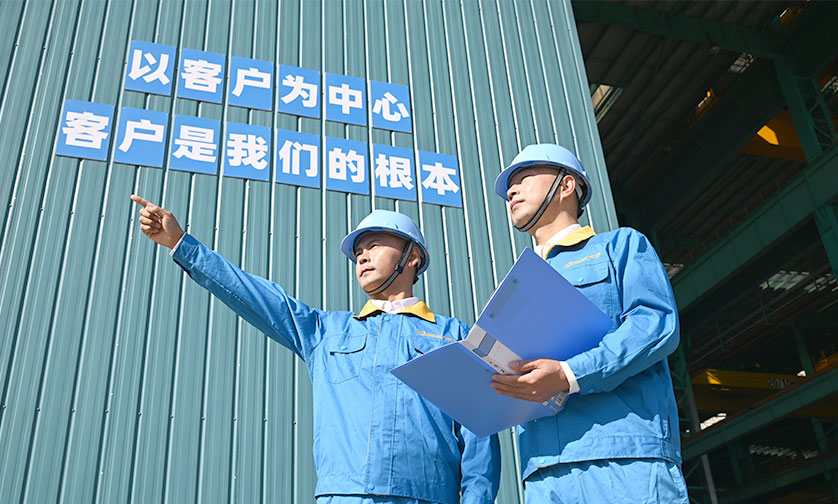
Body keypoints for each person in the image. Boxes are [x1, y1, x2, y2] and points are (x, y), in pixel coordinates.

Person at [130, 195, 501, 504]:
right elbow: (254, 295)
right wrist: (182, 244)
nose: (362, 257)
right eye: (358, 252)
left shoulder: (454, 336)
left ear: (412, 256)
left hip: (427, 497)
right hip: (343, 496)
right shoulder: (326, 331)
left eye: (374, 245)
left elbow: (479, 434)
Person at [488, 144, 688, 503]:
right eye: (509, 188)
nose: (511, 191)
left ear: (566, 186)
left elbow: (655, 325)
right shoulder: (515, 284)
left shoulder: (620, 246)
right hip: (544, 470)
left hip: (624, 456)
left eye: (524, 178)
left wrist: (568, 374)